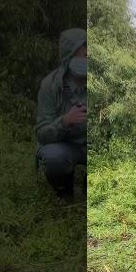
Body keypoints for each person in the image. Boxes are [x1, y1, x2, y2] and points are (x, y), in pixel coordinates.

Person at [35, 28, 87, 198]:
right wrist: (65, 121)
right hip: (66, 146)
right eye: (82, 56)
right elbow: (42, 133)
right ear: (69, 57)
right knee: (53, 156)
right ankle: (64, 193)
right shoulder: (50, 86)